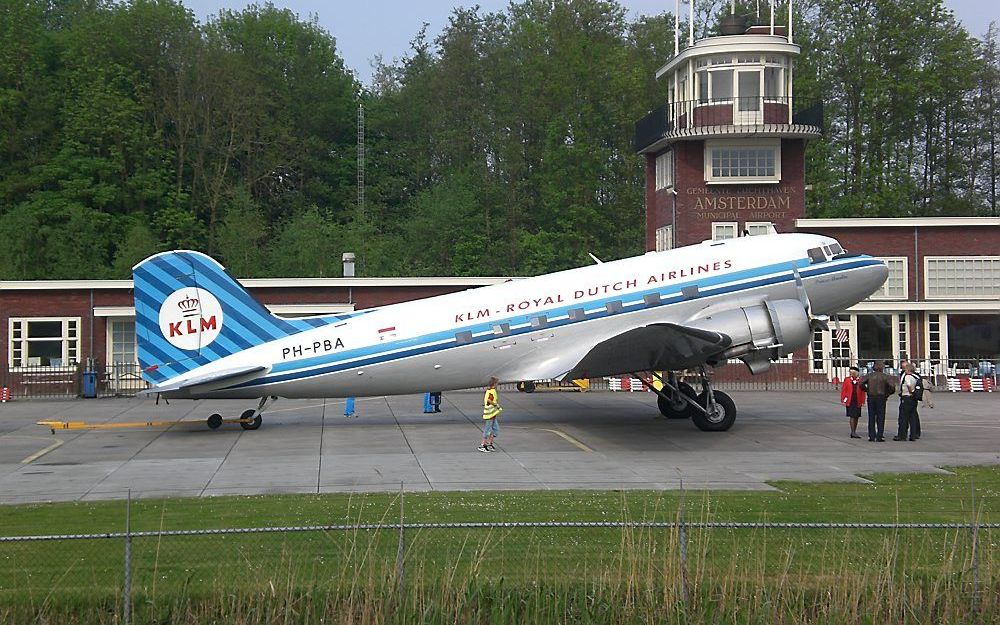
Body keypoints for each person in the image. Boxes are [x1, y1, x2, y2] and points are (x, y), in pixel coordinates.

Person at [860, 361, 895, 442]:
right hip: (881, 397)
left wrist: (866, 390)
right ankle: (879, 435)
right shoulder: (885, 377)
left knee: (871, 417)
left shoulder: (869, 376)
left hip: (871, 397)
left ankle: (871, 436)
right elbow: (892, 387)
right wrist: (887, 393)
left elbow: (861, 383)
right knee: (881, 417)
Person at [894, 362, 921, 441]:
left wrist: (911, 391)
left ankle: (902, 435)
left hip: (907, 397)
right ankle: (913, 435)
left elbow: (908, 385)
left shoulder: (908, 377)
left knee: (903, 417)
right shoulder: (915, 377)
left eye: (905, 369)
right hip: (913, 399)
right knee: (912, 417)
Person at [840, 366, 866, 438]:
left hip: (857, 400)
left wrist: (863, 400)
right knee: (852, 416)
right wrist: (844, 399)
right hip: (850, 400)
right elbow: (844, 390)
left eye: (853, 373)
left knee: (857, 416)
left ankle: (854, 430)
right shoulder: (847, 380)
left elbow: (863, 392)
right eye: (850, 373)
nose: (851, 374)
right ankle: (853, 432)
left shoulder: (860, 380)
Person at [479, 377, 502, 453]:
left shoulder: (491, 391)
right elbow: (489, 400)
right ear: (494, 384)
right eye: (497, 383)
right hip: (490, 414)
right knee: (488, 429)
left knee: (496, 429)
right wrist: (496, 405)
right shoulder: (492, 391)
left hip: (493, 414)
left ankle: (489, 443)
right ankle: (482, 445)